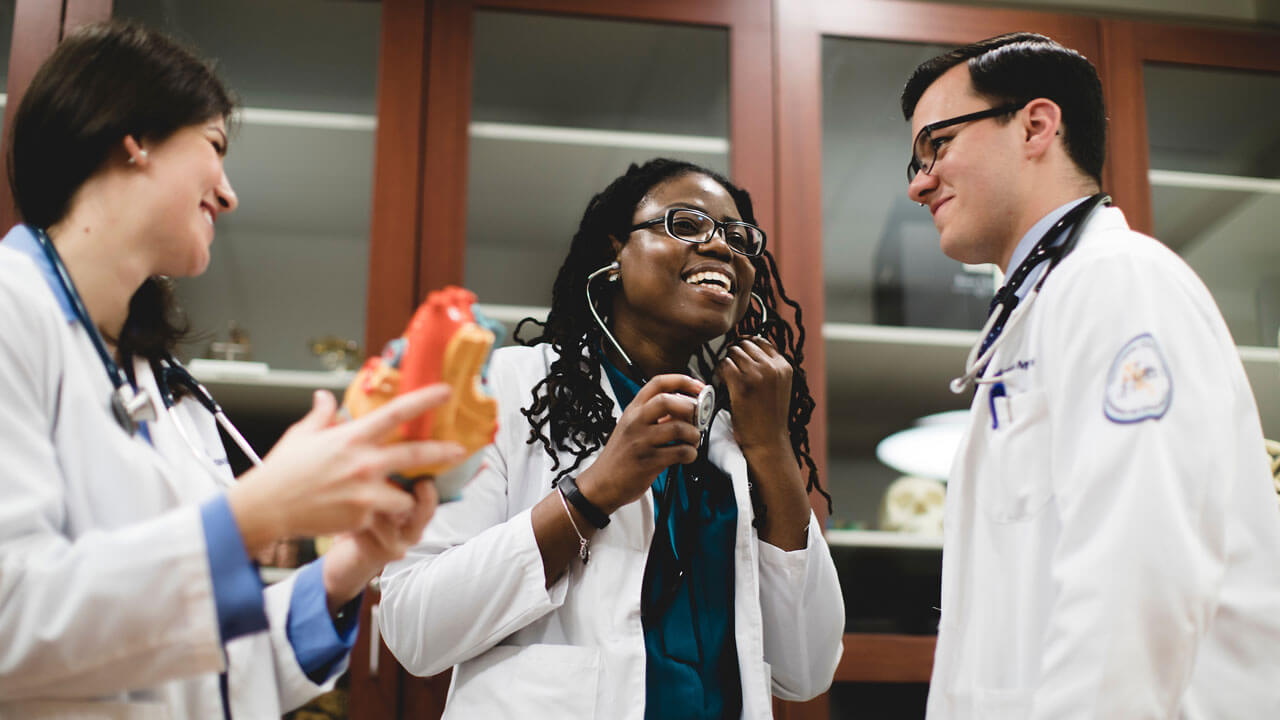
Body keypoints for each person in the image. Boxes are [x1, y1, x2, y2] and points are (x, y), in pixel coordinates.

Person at [0, 22, 465, 718]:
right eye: (215, 147)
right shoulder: (12, 311)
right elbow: (13, 622)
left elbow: (209, 670)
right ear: (135, 137)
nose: (228, 193)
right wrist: (258, 512)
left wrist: (348, 567)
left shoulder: (170, 395)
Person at [379, 158, 844, 718]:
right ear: (614, 254)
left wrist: (772, 449)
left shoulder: (737, 433)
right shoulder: (509, 388)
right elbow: (413, 628)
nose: (721, 247)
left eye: (738, 237)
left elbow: (808, 668)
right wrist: (594, 490)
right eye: (686, 224)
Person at [901, 32, 1280, 718]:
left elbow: (1136, 574)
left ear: (1036, 125)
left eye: (936, 145)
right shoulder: (1040, 311)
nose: (917, 181)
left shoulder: (1120, 282)